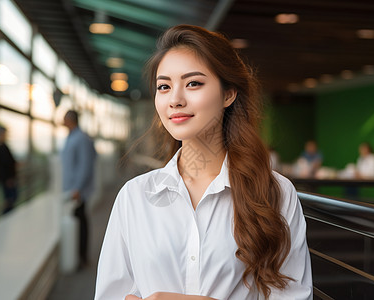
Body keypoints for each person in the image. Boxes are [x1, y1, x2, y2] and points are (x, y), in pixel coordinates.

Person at [95, 25, 312, 300]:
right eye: (164, 86)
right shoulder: (135, 197)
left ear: (228, 94)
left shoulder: (274, 193)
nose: (175, 99)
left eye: (193, 83)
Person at [62, 110, 97, 268]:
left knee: (80, 221)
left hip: (78, 190)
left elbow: (85, 165)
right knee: (78, 220)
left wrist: (78, 188)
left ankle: (82, 257)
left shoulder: (81, 139)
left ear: (70, 120)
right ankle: (77, 255)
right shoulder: (71, 137)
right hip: (71, 189)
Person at [0, 126, 18, 214]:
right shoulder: (1, 148)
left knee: (11, 198)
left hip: (8, 178)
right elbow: (5, 165)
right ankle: (6, 214)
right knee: (10, 198)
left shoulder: (3, 146)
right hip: (8, 179)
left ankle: (8, 214)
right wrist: (8, 179)